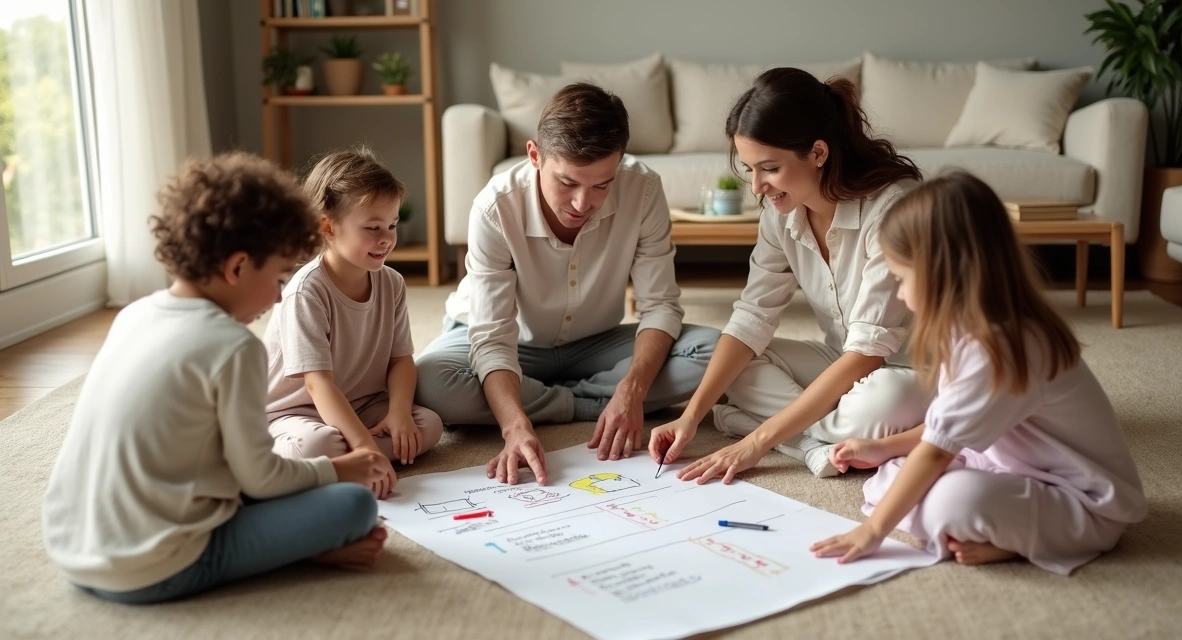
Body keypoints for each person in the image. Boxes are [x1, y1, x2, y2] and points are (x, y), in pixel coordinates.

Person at [43, 152, 393, 604]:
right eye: (279, 277)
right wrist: (341, 469)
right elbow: (260, 481)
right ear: (237, 267)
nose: (280, 294)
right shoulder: (234, 346)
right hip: (153, 566)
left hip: (71, 550)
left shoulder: (134, 315)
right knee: (355, 504)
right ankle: (301, 553)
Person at [811, 172, 1147, 574]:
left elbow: (937, 451)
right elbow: (945, 426)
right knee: (889, 476)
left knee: (951, 501)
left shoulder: (1003, 345)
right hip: (1007, 464)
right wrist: (883, 448)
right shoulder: (967, 329)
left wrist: (870, 532)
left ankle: (1014, 539)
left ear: (940, 271)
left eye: (901, 279)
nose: (899, 293)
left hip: (1083, 502)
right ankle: (998, 528)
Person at [415, 83, 719, 485]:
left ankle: (559, 398)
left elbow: (660, 305)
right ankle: (583, 401)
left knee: (713, 352)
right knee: (434, 383)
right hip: (512, 343)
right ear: (535, 155)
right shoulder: (495, 207)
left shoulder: (643, 190)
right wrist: (513, 426)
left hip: (594, 342)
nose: (582, 204)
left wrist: (631, 391)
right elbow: (490, 336)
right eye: (568, 182)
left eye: (601, 185)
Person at [649, 67, 925, 482]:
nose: (757, 187)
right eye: (749, 170)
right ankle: (813, 444)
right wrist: (692, 416)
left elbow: (870, 352)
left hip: (908, 371)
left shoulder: (893, 209)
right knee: (731, 364)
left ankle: (768, 429)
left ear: (818, 153)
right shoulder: (782, 213)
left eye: (769, 169)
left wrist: (755, 442)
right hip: (841, 359)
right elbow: (751, 317)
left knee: (883, 401)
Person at [264, 147, 442, 500]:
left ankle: (345, 462)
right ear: (328, 227)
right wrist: (365, 445)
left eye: (391, 225)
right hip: (296, 411)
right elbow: (317, 385)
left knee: (429, 426)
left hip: (362, 403)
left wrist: (399, 412)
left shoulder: (392, 283)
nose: (387, 238)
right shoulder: (306, 291)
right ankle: (329, 457)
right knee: (318, 444)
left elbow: (401, 360)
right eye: (372, 227)